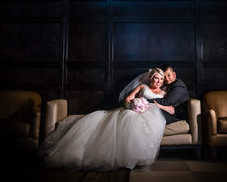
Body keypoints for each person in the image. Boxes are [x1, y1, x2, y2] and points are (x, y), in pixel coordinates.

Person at [39, 68, 174, 172]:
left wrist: (155, 106)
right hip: (133, 110)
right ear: (151, 78)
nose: (158, 81)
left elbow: (171, 109)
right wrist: (135, 104)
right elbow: (127, 99)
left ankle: (134, 159)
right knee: (129, 117)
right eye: (156, 78)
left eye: (161, 79)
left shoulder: (164, 93)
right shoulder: (142, 87)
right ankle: (122, 160)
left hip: (149, 115)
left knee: (137, 122)